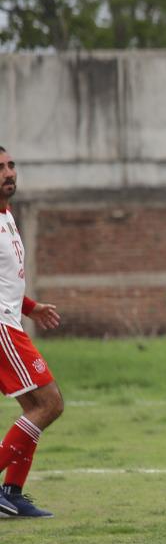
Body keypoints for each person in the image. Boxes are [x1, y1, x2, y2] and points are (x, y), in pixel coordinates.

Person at [0, 147, 65, 519]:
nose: (9, 173)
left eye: (11, 165)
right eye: (0, 168)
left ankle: (12, 492)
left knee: (35, 407)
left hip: (11, 322)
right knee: (50, 403)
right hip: (2, 329)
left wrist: (31, 307)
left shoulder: (7, 215)